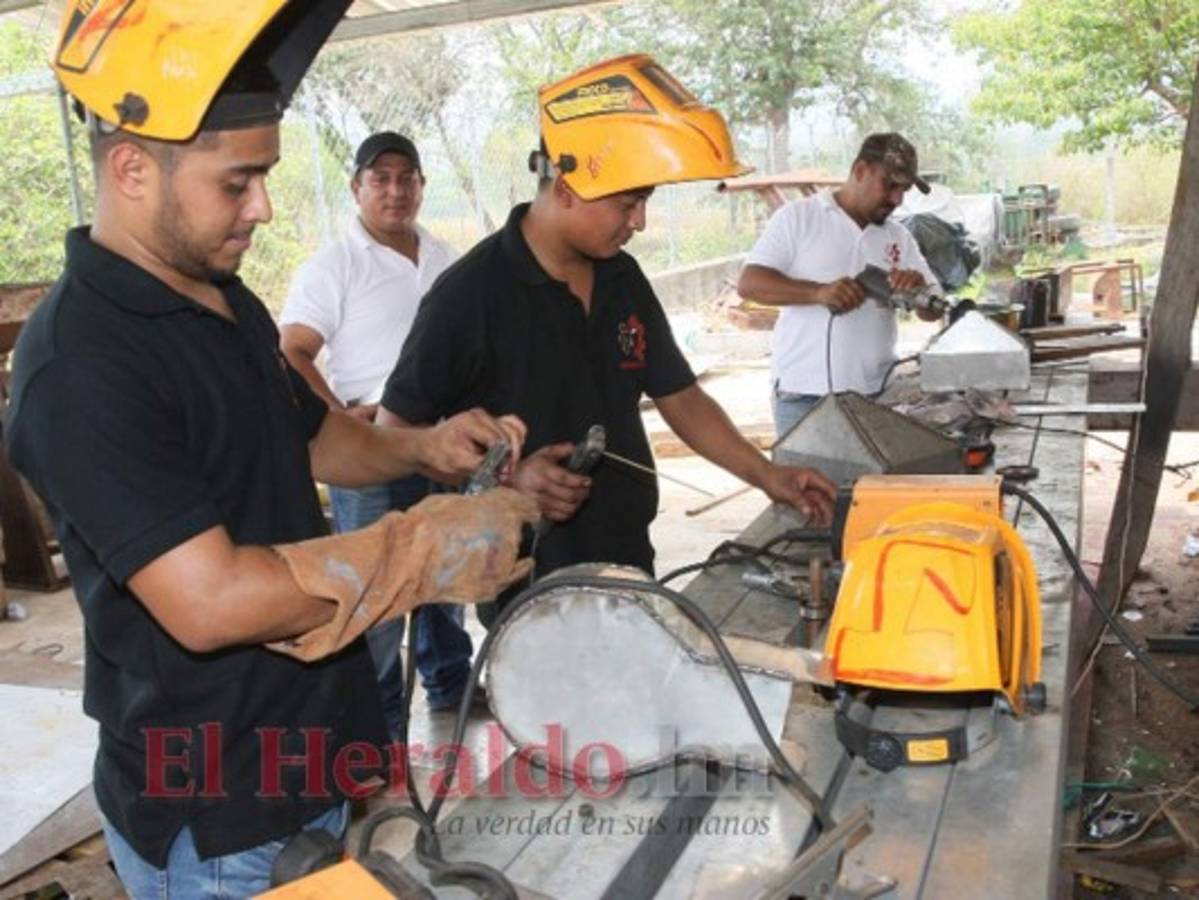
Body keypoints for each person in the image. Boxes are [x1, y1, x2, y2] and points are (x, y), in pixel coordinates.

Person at [6, 3, 535, 895]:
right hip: (215, 803)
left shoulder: (221, 298)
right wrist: (423, 550)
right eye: (237, 182)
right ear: (131, 169)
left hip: (307, 757)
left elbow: (316, 436)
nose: (263, 206)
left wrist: (423, 449)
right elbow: (209, 602)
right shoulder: (80, 363)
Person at [377, 54, 837, 622]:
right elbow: (394, 433)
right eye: (628, 203)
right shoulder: (469, 296)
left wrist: (768, 475)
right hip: (530, 591)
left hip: (628, 564)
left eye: (643, 201)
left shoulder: (621, 276)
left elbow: (682, 398)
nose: (640, 222)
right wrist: (506, 475)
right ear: (567, 186)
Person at [280, 132, 473, 732]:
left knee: (446, 571)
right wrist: (337, 417)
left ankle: (451, 686)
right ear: (356, 188)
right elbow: (292, 352)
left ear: (421, 186)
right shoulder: (333, 266)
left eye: (406, 177)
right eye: (380, 178)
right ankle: (378, 720)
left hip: (441, 443)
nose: (395, 190)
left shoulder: (445, 258)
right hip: (366, 453)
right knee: (374, 590)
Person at [736, 132, 942, 439]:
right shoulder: (799, 217)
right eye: (890, 185)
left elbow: (934, 308)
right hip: (805, 399)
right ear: (860, 171)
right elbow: (750, 283)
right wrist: (818, 293)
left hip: (878, 396)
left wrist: (918, 290)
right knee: (805, 487)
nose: (897, 199)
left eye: (904, 190)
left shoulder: (897, 236)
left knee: (869, 489)